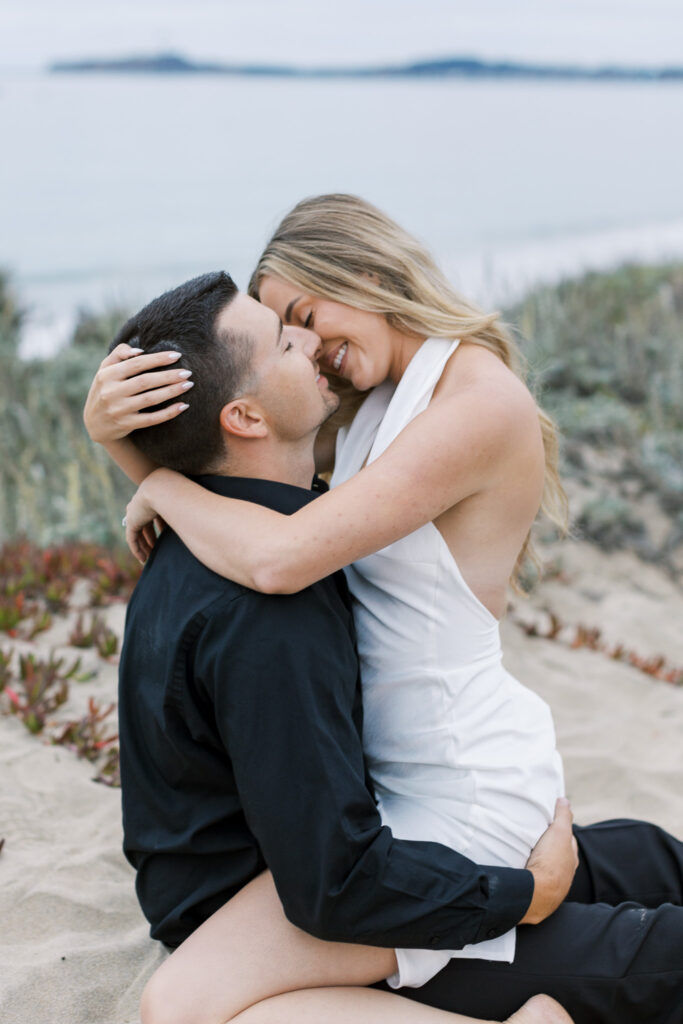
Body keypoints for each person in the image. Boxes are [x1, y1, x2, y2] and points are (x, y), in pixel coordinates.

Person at [85, 196, 683, 1020]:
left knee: (190, 1000)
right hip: (403, 787)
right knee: (642, 863)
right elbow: (248, 458)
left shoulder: (470, 405)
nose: (308, 347)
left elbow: (277, 546)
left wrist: (154, 480)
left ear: (363, 273)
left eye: (303, 316)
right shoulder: (367, 402)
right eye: (285, 331)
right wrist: (130, 442)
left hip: (457, 781)